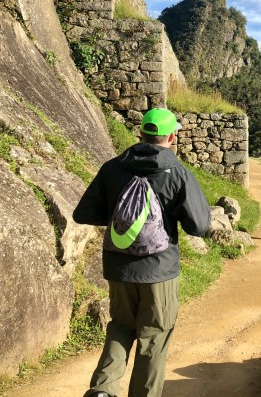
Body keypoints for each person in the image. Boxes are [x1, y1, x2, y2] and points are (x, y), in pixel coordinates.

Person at [73, 108, 210, 397]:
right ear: (171, 137)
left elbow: (83, 213)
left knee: (121, 327)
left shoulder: (113, 168)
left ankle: (102, 390)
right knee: (154, 338)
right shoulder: (177, 174)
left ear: (141, 133)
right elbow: (198, 226)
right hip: (159, 271)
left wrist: (124, 220)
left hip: (118, 268)